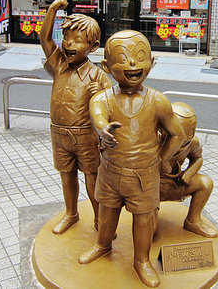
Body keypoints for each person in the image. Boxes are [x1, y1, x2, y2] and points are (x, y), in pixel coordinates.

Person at [78, 30, 186, 288]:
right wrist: (102, 129)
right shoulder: (101, 98)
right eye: (123, 58)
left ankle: (141, 260)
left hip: (144, 175)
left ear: (152, 62)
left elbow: (177, 134)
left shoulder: (158, 101)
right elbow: (97, 115)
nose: (133, 65)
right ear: (106, 66)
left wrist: (161, 159)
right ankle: (102, 245)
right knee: (107, 211)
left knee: (143, 218)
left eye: (140, 57)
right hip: (111, 171)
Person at [40, 0, 112, 235]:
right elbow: (44, 38)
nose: (68, 45)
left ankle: (101, 220)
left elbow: (114, 104)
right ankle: (71, 213)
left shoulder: (97, 74)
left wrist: (102, 93)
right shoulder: (59, 64)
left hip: (86, 136)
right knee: (66, 175)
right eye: (66, 39)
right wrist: (52, 9)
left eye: (77, 41)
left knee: (92, 178)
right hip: (59, 132)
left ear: (93, 46)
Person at [156, 102, 218, 239]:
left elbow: (198, 158)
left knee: (205, 183)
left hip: (176, 184)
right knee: (149, 231)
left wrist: (189, 172)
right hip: (151, 190)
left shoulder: (192, 143)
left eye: (184, 141)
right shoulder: (152, 140)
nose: (180, 145)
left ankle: (193, 220)